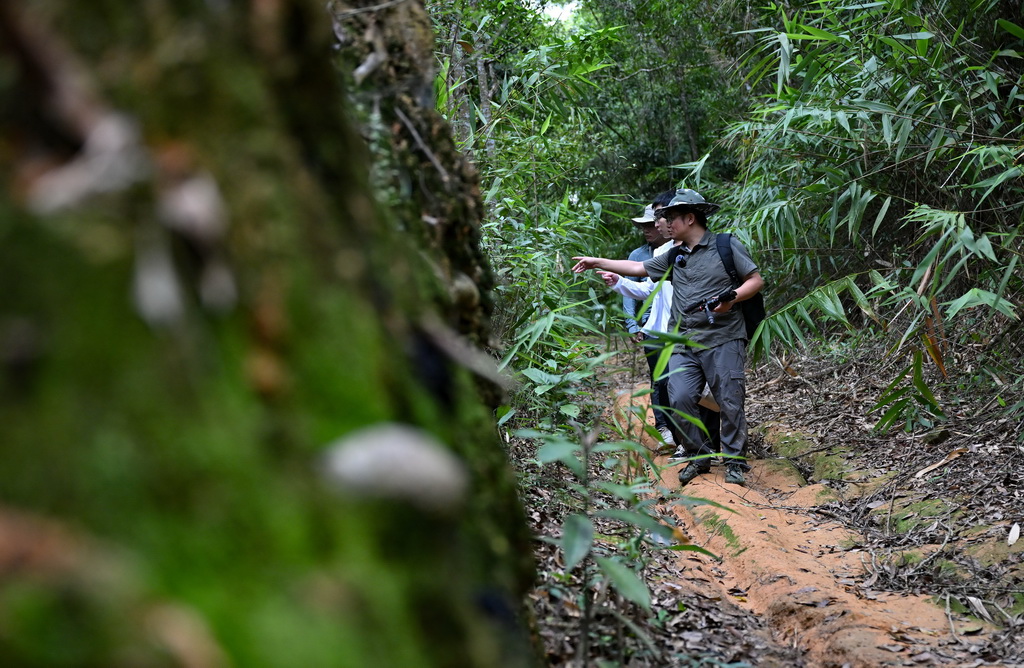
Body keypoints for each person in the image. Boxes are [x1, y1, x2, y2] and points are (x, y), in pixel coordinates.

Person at [572, 188, 764, 486]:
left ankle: (735, 461)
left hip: (724, 336)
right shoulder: (673, 255)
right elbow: (637, 268)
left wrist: (732, 299)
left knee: (729, 399)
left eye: (671, 218)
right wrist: (597, 261)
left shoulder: (725, 246)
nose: (665, 223)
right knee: (679, 398)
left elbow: (755, 280)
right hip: (683, 340)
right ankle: (698, 455)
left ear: (690, 218)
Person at [622, 197, 674, 447]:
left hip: (678, 324)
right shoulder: (637, 255)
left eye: (651, 224)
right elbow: (630, 292)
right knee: (659, 376)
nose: (646, 230)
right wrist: (632, 325)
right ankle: (663, 426)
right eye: (643, 225)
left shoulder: (677, 249)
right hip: (650, 325)